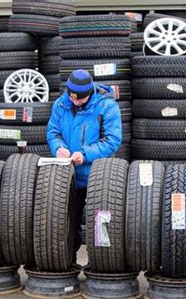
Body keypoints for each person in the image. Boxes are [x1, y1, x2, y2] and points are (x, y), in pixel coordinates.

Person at [46, 69, 122, 262]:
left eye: (79, 99)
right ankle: (67, 262)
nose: (75, 102)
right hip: (68, 175)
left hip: (98, 176)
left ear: (90, 94)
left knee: (100, 222)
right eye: (72, 98)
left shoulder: (106, 106)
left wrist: (86, 154)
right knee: (67, 221)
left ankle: (100, 264)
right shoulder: (61, 104)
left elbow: (113, 140)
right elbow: (53, 132)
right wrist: (59, 148)